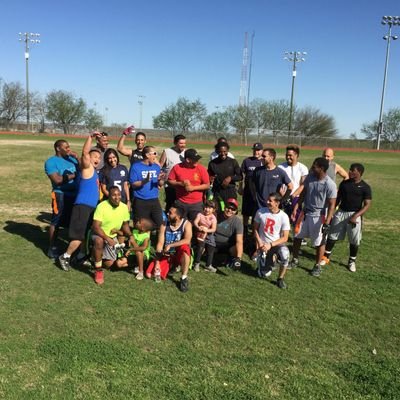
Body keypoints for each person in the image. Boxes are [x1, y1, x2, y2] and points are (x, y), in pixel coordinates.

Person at [58, 133, 101, 271]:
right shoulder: (87, 168)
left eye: (99, 158)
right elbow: (85, 152)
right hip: (82, 206)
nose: (97, 159)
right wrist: (90, 137)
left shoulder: (95, 173)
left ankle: (81, 257)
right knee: (78, 236)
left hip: (90, 208)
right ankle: (65, 256)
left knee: (85, 235)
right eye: (95, 156)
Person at [320, 163, 372, 272]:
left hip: (354, 215)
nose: (349, 171)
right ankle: (325, 257)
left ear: (359, 173)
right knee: (332, 236)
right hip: (341, 212)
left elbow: (367, 205)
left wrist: (356, 216)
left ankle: (352, 261)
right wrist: (332, 212)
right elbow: (337, 199)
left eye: (352, 170)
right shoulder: (344, 184)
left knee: (354, 240)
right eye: (350, 169)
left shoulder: (365, 187)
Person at [290, 157, 337, 277]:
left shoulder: (330, 184)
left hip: (319, 216)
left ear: (321, 169)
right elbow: (304, 192)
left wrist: (327, 221)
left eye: (314, 166)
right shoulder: (310, 177)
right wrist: (297, 207)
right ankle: (294, 260)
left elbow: (332, 205)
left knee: (319, 242)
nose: (312, 167)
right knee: (297, 236)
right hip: (305, 213)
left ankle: (317, 265)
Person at [91, 186, 136, 285]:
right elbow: (95, 227)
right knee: (99, 241)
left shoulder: (124, 207)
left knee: (109, 264)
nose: (117, 197)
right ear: (109, 196)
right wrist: (107, 238)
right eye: (114, 195)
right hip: (101, 235)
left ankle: (122, 258)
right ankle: (98, 270)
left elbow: (125, 225)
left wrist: (130, 235)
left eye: (119, 195)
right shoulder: (102, 206)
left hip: (114, 237)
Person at [44, 139, 79, 259]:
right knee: (56, 221)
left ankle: (71, 248)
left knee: (73, 221)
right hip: (60, 195)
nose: (69, 149)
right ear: (58, 148)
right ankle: (52, 247)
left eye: (69, 147)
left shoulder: (72, 160)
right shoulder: (51, 162)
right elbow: (58, 180)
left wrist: (77, 158)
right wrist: (74, 175)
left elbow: (85, 169)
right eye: (66, 147)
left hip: (74, 194)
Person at [146, 204, 192, 292]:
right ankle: (172, 266)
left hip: (179, 254)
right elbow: (160, 244)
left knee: (185, 248)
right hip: (167, 255)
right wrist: (157, 262)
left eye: (170, 213)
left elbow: (187, 240)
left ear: (178, 216)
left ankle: (183, 278)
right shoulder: (164, 224)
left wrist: (171, 245)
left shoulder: (186, 224)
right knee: (149, 274)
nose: (167, 214)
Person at [253, 193, 291, 289]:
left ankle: (280, 279)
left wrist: (270, 244)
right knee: (263, 274)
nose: (267, 202)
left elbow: (285, 237)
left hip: (275, 244)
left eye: (270, 200)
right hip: (263, 245)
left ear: (277, 203)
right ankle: (270, 261)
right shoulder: (261, 212)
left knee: (285, 254)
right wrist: (260, 243)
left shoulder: (284, 216)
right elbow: (255, 229)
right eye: (268, 200)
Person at [167, 148, 210, 222]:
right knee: (179, 223)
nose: (197, 161)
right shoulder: (177, 167)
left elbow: (207, 185)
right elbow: (170, 181)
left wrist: (193, 188)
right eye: (195, 159)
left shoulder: (201, 169)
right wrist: (180, 183)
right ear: (187, 160)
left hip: (196, 204)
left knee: (196, 224)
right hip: (181, 202)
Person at [129, 146, 165, 228]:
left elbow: (160, 184)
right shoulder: (136, 167)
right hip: (140, 200)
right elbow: (133, 184)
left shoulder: (156, 167)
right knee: (141, 226)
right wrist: (144, 181)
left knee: (160, 224)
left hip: (154, 200)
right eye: (154, 153)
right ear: (147, 155)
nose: (156, 156)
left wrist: (161, 179)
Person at [208, 142, 242, 211]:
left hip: (230, 191)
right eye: (220, 152)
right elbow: (209, 176)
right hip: (217, 191)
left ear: (228, 150)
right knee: (218, 212)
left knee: (230, 212)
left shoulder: (233, 162)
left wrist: (230, 178)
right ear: (217, 151)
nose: (223, 154)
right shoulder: (212, 163)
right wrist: (210, 179)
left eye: (225, 151)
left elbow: (240, 176)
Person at [238, 142, 264, 234]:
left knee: (256, 211)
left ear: (262, 151)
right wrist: (240, 187)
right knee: (245, 212)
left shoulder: (264, 161)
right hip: (248, 190)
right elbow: (241, 175)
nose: (256, 152)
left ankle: (254, 230)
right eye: (254, 150)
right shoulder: (247, 161)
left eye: (258, 150)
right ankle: (244, 229)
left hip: (258, 191)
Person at [159, 134, 186, 212]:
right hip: (170, 185)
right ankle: (168, 222)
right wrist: (160, 179)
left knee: (180, 205)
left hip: (181, 185)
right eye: (181, 143)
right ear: (175, 143)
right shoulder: (167, 152)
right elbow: (160, 166)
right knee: (170, 205)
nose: (183, 145)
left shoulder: (186, 153)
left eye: (184, 143)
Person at [214, 198, 244, 270]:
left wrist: (238, 258)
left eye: (233, 209)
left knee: (237, 247)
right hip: (213, 243)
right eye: (228, 207)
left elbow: (239, 241)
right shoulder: (216, 215)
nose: (229, 210)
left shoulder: (238, 222)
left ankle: (233, 259)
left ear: (236, 211)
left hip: (227, 245)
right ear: (224, 207)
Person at [192, 200, 217, 272]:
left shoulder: (213, 218)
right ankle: (197, 263)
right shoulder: (200, 214)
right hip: (200, 233)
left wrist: (207, 230)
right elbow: (195, 222)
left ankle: (208, 265)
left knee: (211, 248)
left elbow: (213, 229)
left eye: (210, 208)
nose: (207, 209)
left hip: (209, 234)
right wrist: (198, 226)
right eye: (206, 207)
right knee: (201, 247)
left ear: (213, 210)